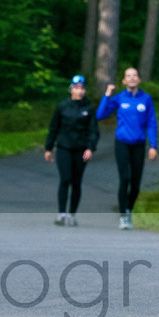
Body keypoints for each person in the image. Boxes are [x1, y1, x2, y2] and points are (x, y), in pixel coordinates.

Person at [95, 67, 158, 230]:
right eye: (128, 76)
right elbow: (100, 115)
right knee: (125, 178)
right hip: (122, 143)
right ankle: (123, 215)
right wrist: (107, 94)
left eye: (134, 75)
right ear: (124, 81)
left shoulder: (146, 99)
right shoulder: (119, 98)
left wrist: (153, 145)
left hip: (139, 144)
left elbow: (151, 122)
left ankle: (129, 209)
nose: (131, 78)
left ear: (139, 79)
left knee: (136, 183)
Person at [44, 75, 99, 227]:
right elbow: (54, 127)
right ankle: (61, 213)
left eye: (82, 88)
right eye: (76, 88)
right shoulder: (62, 106)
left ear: (85, 91)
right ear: (71, 90)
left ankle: (72, 214)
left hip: (81, 149)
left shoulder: (88, 109)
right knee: (65, 178)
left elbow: (93, 131)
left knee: (76, 182)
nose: (79, 91)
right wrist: (49, 147)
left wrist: (90, 148)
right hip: (64, 148)